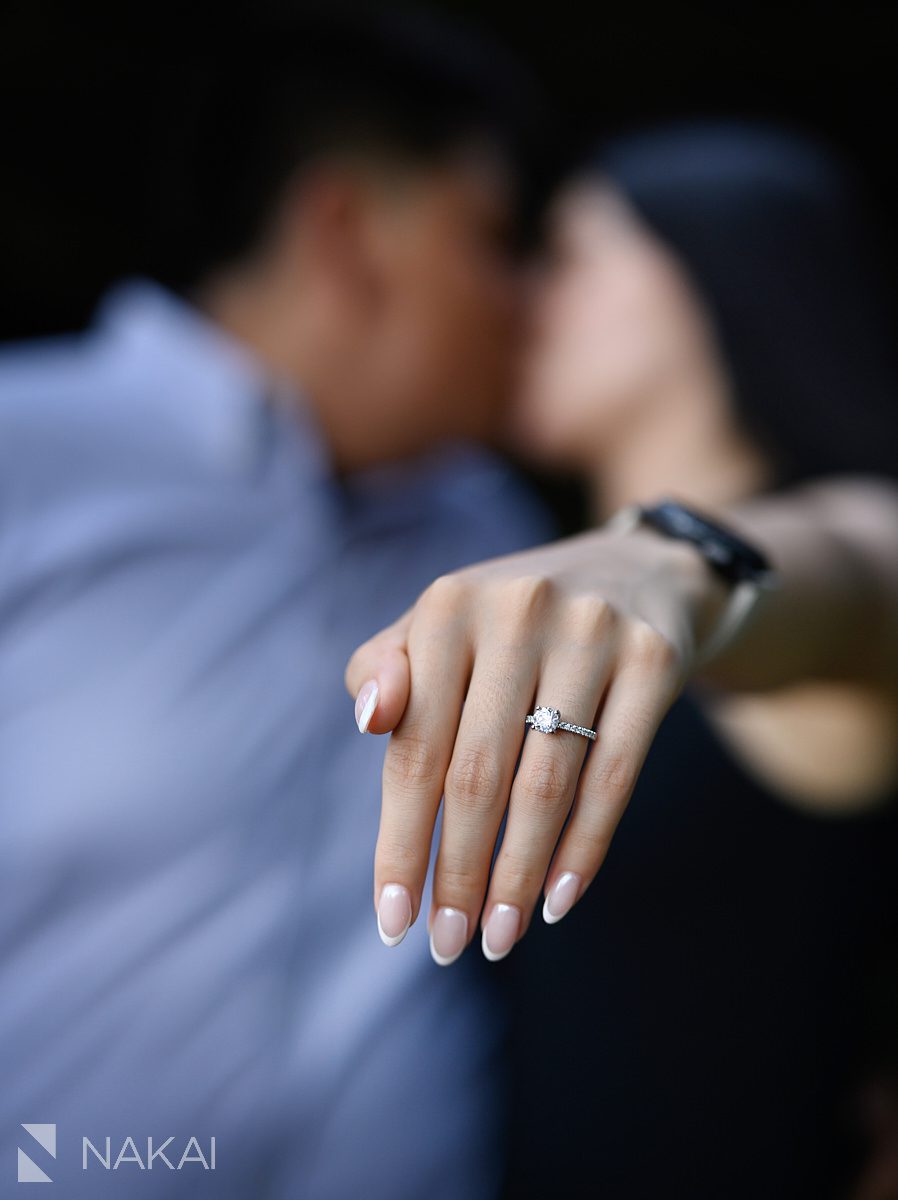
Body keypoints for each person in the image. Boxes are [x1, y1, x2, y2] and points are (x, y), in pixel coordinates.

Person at [0, 13, 554, 1198]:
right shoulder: (27, 454)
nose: (524, 302)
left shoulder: (494, 534)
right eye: (492, 240)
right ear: (346, 235)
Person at [345, 124, 898, 1198]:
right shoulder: (484, 545)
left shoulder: (794, 595)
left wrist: (678, 563)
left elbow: (865, 566)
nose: (521, 297)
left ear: (717, 275)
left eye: (569, 257)